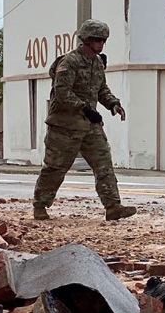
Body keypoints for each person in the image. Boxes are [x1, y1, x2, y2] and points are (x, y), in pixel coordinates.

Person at [32, 19, 136, 221]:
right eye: (97, 40)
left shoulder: (96, 62)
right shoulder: (69, 62)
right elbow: (61, 92)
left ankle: (113, 206)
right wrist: (84, 109)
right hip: (64, 126)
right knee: (55, 168)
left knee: (103, 164)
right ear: (86, 40)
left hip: (89, 126)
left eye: (103, 40)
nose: (101, 44)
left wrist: (113, 104)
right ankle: (40, 206)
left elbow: (101, 89)